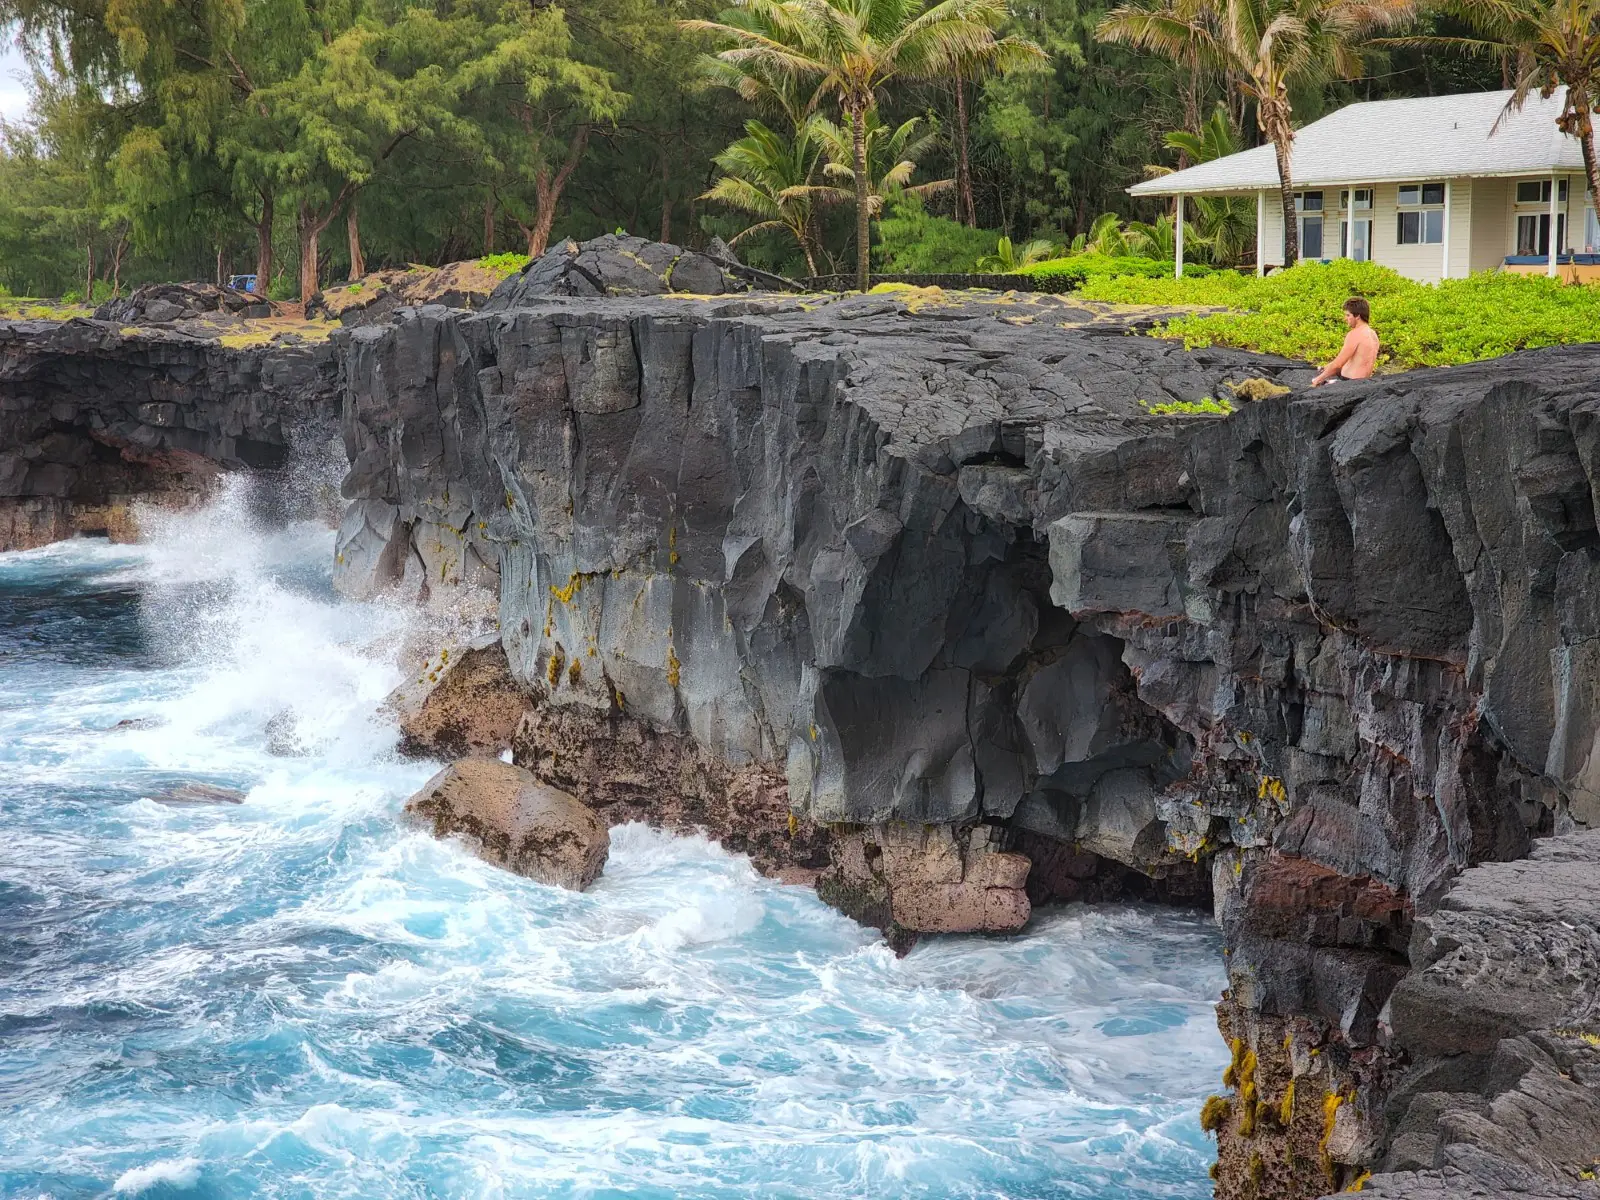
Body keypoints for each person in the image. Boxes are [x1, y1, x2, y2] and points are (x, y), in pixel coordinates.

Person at [1311, 296, 1380, 386]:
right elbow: (1358, 360)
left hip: (1349, 383)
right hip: (1364, 383)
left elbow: (1338, 365)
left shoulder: (1355, 334)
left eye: (1348, 315)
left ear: (1358, 316)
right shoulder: (1373, 334)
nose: (1345, 318)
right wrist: (1328, 366)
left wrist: (1317, 380)